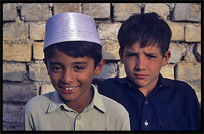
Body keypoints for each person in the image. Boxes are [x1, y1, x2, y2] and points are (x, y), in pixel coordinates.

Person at [24, 12, 130, 131]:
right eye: (57, 68)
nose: (67, 79)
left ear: (98, 67)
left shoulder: (117, 115)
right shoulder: (35, 111)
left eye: (79, 67)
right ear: (47, 66)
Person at [98, 12, 201, 131]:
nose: (140, 66)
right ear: (121, 55)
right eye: (132, 55)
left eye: (150, 56)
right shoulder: (108, 92)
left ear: (165, 58)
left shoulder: (183, 95)